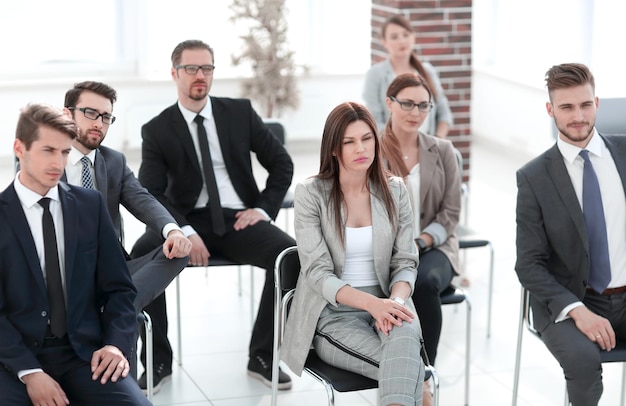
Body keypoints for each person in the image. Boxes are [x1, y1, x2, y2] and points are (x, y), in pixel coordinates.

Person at [133, 39, 296, 390]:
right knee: (140, 256)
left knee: (290, 257)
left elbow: (282, 163)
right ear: (174, 73)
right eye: (191, 69)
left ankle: (263, 354)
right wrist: (184, 230)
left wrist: (263, 209)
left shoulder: (239, 113)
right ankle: (157, 358)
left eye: (207, 68)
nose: (200, 76)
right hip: (185, 219)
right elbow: (152, 193)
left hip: (239, 219)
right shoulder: (157, 130)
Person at [0, 103, 151, 405]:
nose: (58, 162)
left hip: (84, 353)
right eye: (48, 150)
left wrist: (115, 345)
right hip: (14, 358)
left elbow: (120, 289)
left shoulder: (88, 205)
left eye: (65, 152)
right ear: (20, 148)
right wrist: (30, 372)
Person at [281, 102, 425, 406]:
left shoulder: (395, 190)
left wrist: (394, 303)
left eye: (366, 138)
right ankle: (423, 393)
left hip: (391, 304)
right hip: (334, 314)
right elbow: (317, 273)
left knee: (402, 354)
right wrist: (373, 306)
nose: (361, 148)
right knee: (408, 370)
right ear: (334, 148)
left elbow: (405, 261)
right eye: (349, 142)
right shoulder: (311, 194)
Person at [61, 81, 192, 392]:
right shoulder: (48, 156)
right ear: (67, 115)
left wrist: (173, 230)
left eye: (106, 117)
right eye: (90, 113)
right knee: (125, 320)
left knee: (179, 249)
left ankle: (120, 304)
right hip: (66, 273)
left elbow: (143, 200)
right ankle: (121, 314)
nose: (98, 123)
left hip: (112, 271)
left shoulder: (113, 161)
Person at [515, 62, 626, 405]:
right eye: (566, 107)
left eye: (585, 104)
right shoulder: (534, 177)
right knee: (584, 363)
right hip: (570, 302)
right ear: (550, 110)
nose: (578, 116)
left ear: (597, 103)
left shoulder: (624, 154)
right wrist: (578, 310)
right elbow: (529, 265)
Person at [380, 73, 461, 404]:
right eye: (407, 104)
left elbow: (451, 212)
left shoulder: (443, 151)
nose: (415, 112)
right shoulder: (371, 148)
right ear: (390, 103)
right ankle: (393, 374)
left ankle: (424, 377)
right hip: (386, 251)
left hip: (434, 247)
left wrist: (423, 242)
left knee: (424, 283)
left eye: (423, 106)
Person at [363, 14, 453, 137]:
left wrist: (437, 142)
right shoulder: (376, 74)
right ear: (384, 42)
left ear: (413, 37)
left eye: (406, 35)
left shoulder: (428, 71)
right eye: (394, 37)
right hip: (391, 148)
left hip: (428, 144)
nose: (402, 41)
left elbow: (444, 112)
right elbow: (373, 119)